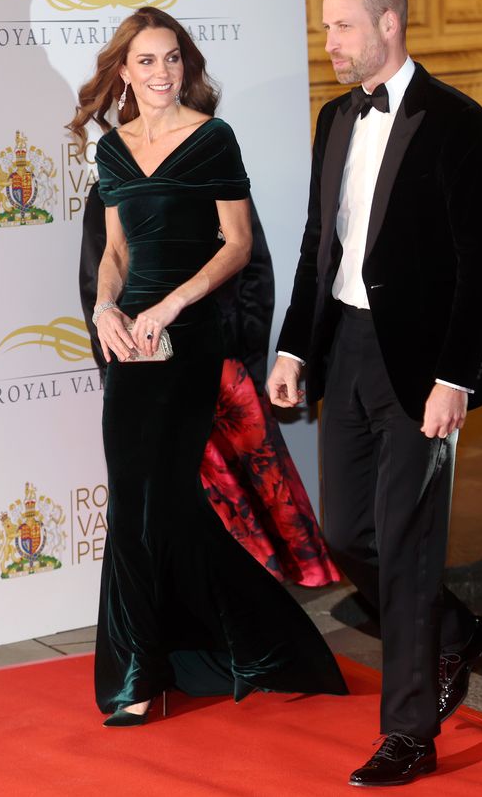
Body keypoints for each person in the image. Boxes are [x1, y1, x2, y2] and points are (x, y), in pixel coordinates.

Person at [67, 5, 347, 727]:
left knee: (155, 501)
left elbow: (236, 244)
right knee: (143, 502)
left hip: (189, 337)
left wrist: (170, 305)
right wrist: (105, 309)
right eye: (146, 61)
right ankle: (184, 655)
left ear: (186, 65)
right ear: (123, 73)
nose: (162, 73)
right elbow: (117, 253)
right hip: (132, 341)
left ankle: (147, 669)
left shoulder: (213, 138)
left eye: (172, 59)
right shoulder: (113, 150)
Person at [267, 0, 482, 787]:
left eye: (339, 27)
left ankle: (409, 731)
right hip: (348, 350)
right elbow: (316, 245)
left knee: (406, 547)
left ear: (388, 25)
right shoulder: (334, 116)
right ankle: (451, 627)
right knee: (345, 535)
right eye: (326, 28)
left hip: (424, 363)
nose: (327, 42)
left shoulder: (459, 124)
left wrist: (457, 377)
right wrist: (295, 349)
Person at [80, 183, 339, 586]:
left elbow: (255, 271)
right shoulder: (112, 186)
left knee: (250, 509)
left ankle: (249, 597)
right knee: (173, 504)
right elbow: (97, 285)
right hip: (150, 374)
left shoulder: (218, 175)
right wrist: (117, 367)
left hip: (223, 373)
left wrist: (248, 362)